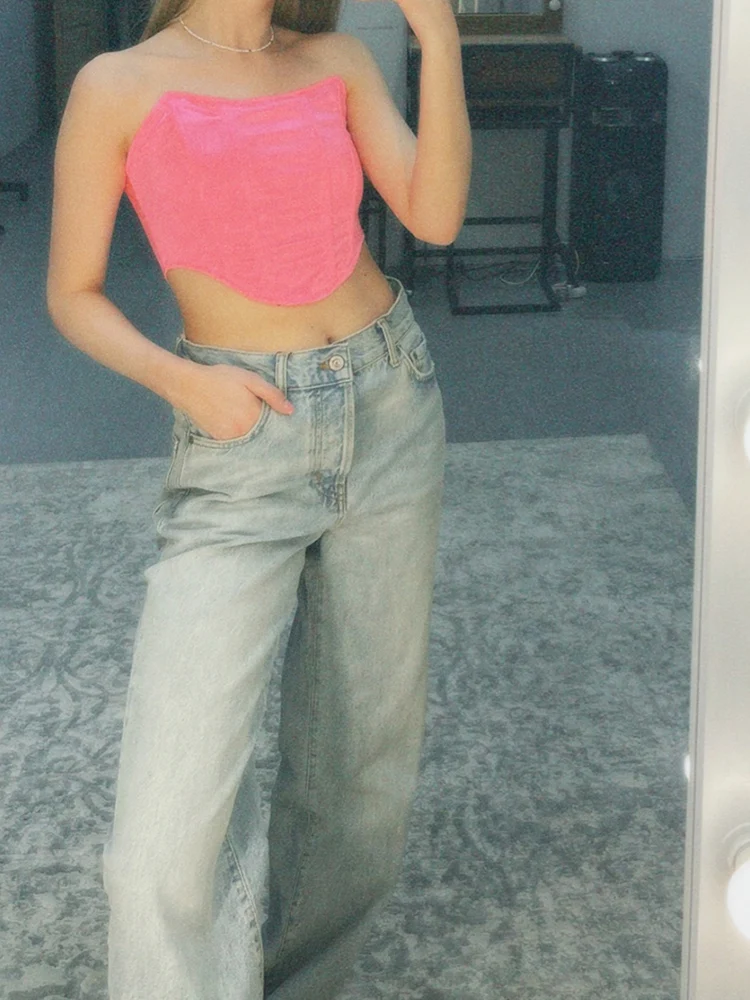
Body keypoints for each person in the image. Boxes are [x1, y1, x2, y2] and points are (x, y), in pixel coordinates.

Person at [46, 0, 471, 997]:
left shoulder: (338, 58)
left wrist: (441, 37)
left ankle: (299, 981)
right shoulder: (116, 85)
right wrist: (181, 382)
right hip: (238, 438)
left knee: (360, 770)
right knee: (162, 828)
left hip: (390, 404)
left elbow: (437, 217)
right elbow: (72, 290)